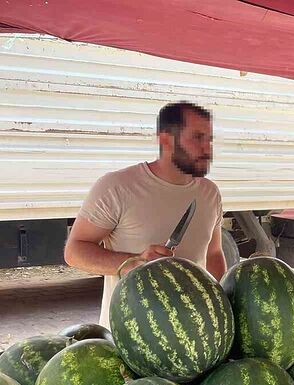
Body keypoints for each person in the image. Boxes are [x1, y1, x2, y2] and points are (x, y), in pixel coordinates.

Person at [64, 101, 227, 328]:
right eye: (197, 138)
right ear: (166, 140)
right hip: (131, 338)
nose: (207, 149)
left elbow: (213, 254)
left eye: (209, 139)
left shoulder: (210, 193)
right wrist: (133, 263)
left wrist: (222, 305)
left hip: (195, 338)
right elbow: (74, 252)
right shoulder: (117, 187)